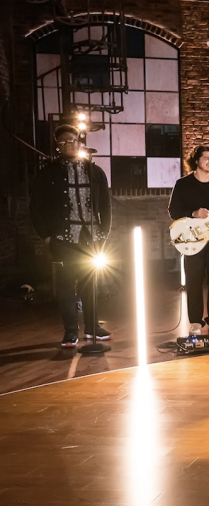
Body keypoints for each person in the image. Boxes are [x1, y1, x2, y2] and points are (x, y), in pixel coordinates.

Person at [31, 124, 112, 347]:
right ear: (58, 146)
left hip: (91, 238)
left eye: (73, 140)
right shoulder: (48, 173)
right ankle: (70, 330)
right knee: (66, 287)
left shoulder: (95, 171)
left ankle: (92, 326)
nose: (69, 144)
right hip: (63, 240)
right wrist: (47, 237)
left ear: (80, 142)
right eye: (64, 141)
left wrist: (104, 232)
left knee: (90, 284)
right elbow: (36, 208)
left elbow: (105, 205)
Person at [168, 146, 209, 336]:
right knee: (194, 282)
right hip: (193, 241)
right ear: (196, 161)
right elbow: (173, 211)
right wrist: (193, 214)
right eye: (206, 158)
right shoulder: (183, 184)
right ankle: (195, 322)